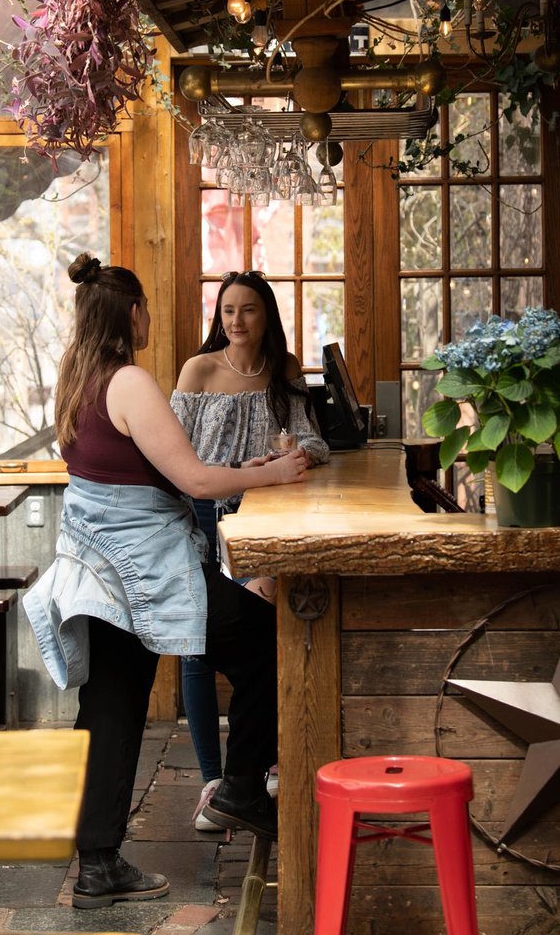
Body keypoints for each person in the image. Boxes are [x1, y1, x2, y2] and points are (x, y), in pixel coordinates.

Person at [23, 256, 309, 911]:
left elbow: (156, 469)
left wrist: (247, 466)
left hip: (98, 569)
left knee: (108, 710)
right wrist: (276, 472)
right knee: (266, 638)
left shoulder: (80, 378)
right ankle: (239, 788)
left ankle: (97, 864)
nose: (150, 318)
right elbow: (195, 482)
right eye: (146, 307)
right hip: (139, 570)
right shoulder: (128, 381)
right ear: (131, 314)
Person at [170, 269, 330, 829]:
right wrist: (236, 471)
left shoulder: (282, 369)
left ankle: (250, 770)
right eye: (227, 311)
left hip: (263, 513)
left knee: (263, 630)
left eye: (248, 311)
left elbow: (311, 436)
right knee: (198, 645)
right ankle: (213, 778)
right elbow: (173, 453)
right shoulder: (199, 368)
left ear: (267, 317)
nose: (236, 322)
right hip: (206, 512)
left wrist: (291, 456)